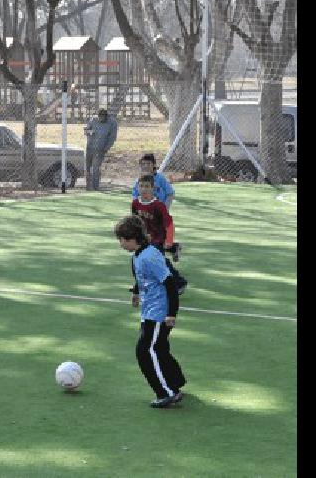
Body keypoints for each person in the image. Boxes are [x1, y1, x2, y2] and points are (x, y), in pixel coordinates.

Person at [114, 215, 186, 409]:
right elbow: (142, 277)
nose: (120, 244)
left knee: (145, 351)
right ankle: (175, 384)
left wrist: (171, 313)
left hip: (158, 313)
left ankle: (165, 393)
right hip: (149, 311)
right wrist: (137, 292)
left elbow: (170, 284)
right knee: (160, 349)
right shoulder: (138, 255)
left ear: (132, 238)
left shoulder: (150, 256)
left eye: (122, 239)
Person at [132, 174, 182, 263]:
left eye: (147, 186)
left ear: (153, 188)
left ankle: (170, 271)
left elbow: (169, 224)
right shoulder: (135, 203)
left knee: (155, 262)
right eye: (141, 186)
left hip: (158, 239)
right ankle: (173, 248)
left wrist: (169, 240)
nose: (143, 189)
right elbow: (135, 222)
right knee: (140, 260)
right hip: (143, 238)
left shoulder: (159, 206)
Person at [83, 108, 118, 190]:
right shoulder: (93, 120)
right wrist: (90, 132)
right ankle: (88, 187)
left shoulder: (112, 123)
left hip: (100, 149)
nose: (100, 118)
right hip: (89, 147)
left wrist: (106, 148)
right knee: (87, 168)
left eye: (103, 117)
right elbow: (86, 131)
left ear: (106, 116)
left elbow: (112, 138)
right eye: (99, 116)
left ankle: (95, 187)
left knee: (95, 168)